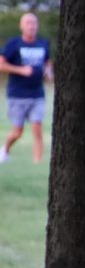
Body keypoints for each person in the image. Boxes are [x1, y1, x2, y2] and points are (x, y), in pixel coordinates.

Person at [0, 13, 53, 163]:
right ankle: (5, 149)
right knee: (18, 131)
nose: (32, 26)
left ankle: (36, 163)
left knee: (37, 129)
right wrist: (20, 70)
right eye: (28, 23)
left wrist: (49, 72)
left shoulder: (42, 44)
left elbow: (47, 62)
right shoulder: (14, 44)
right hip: (17, 95)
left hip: (37, 94)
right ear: (21, 26)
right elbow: (1, 64)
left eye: (34, 23)